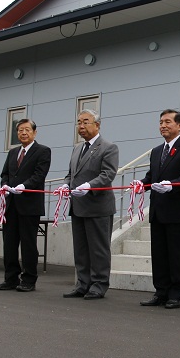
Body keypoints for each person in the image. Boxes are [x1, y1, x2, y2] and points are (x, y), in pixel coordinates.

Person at [136, 109, 180, 309]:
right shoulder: (156, 151)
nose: (163, 125)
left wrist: (171, 184)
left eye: (168, 122)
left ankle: (177, 294)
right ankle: (161, 292)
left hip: (176, 211)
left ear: (179, 125)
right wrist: (141, 184)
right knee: (159, 254)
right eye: (161, 122)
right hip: (157, 210)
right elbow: (151, 176)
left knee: (177, 254)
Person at [62, 109, 119, 300]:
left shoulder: (108, 147)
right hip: (78, 206)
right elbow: (71, 174)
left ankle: (99, 284)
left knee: (98, 249)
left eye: (86, 122)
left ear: (97, 125)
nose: (81, 126)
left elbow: (108, 174)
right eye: (79, 122)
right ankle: (83, 283)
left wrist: (89, 186)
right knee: (81, 249)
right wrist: (65, 184)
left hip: (97, 206)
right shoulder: (77, 148)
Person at [0, 119, 51, 292]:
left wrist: (24, 186)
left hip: (29, 205)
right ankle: (11, 278)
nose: (23, 133)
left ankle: (29, 279)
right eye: (20, 130)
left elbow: (39, 175)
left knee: (28, 244)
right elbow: (5, 173)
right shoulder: (12, 153)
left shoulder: (43, 151)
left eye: (27, 130)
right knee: (9, 244)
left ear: (35, 132)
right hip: (11, 205)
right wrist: (5, 185)